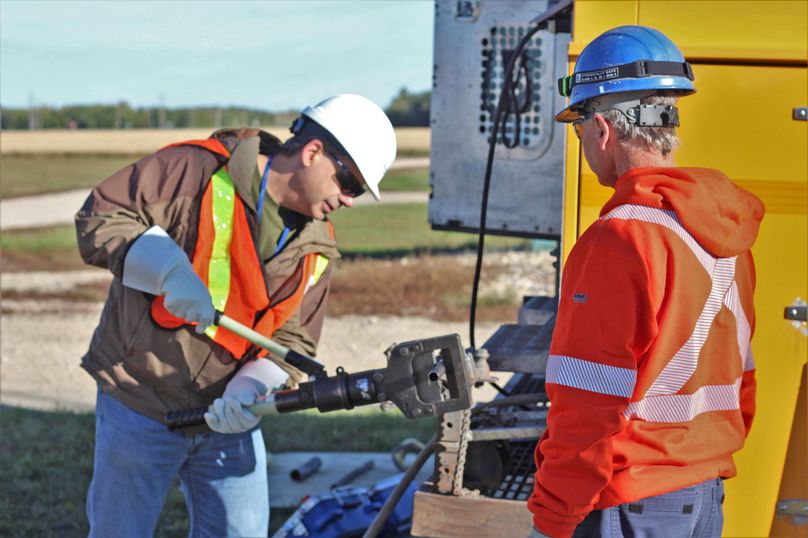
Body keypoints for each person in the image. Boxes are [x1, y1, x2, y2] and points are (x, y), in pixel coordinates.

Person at [75, 94, 397, 537]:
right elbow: (100, 218)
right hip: (140, 400)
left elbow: (295, 342)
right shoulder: (194, 170)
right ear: (313, 153)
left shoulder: (318, 245)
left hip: (229, 418)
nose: (349, 201)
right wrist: (163, 267)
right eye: (350, 184)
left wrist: (254, 386)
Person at [527, 26, 764, 538]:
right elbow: (740, 383)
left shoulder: (618, 241)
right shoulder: (728, 236)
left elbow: (586, 407)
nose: (583, 141)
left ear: (603, 130)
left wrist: (551, 518)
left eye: (579, 127)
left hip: (630, 503)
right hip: (703, 495)